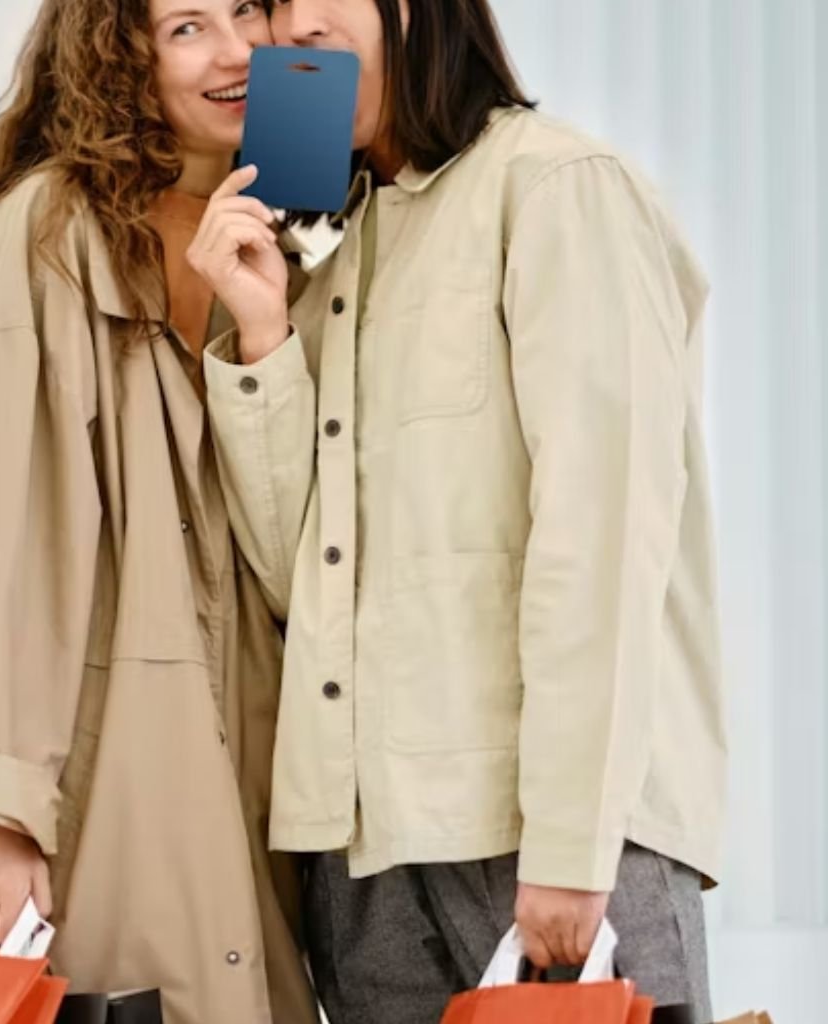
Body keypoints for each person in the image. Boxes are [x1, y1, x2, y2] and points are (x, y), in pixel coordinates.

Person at [189, 0, 727, 1021]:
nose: (292, 24)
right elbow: (289, 573)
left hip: (546, 837)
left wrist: (572, 842)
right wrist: (260, 335)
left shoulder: (558, 189)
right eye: (272, 4)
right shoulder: (315, 250)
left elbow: (603, 537)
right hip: (361, 855)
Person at [0, 2, 318, 1022]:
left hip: (242, 771)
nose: (237, 52)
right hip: (91, 770)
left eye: (248, 12)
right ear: (120, 57)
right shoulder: (50, 229)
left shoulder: (286, 244)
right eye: (186, 27)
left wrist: (266, 338)